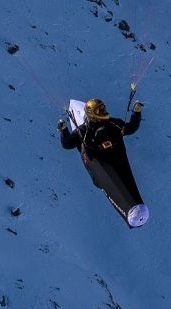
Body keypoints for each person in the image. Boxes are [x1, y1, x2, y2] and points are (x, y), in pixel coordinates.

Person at [61, 96, 148, 227]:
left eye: (103, 109)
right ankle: (130, 209)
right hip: (101, 165)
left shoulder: (113, 124)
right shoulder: (84, 130)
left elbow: (130, 128)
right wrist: (63, 131)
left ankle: (135, 207)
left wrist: (136, 113)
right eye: (100, 110)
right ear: (92, 114)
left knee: (126, 181)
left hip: (116, 158)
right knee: (113, 182)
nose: (103, 112)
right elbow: (68, 144)